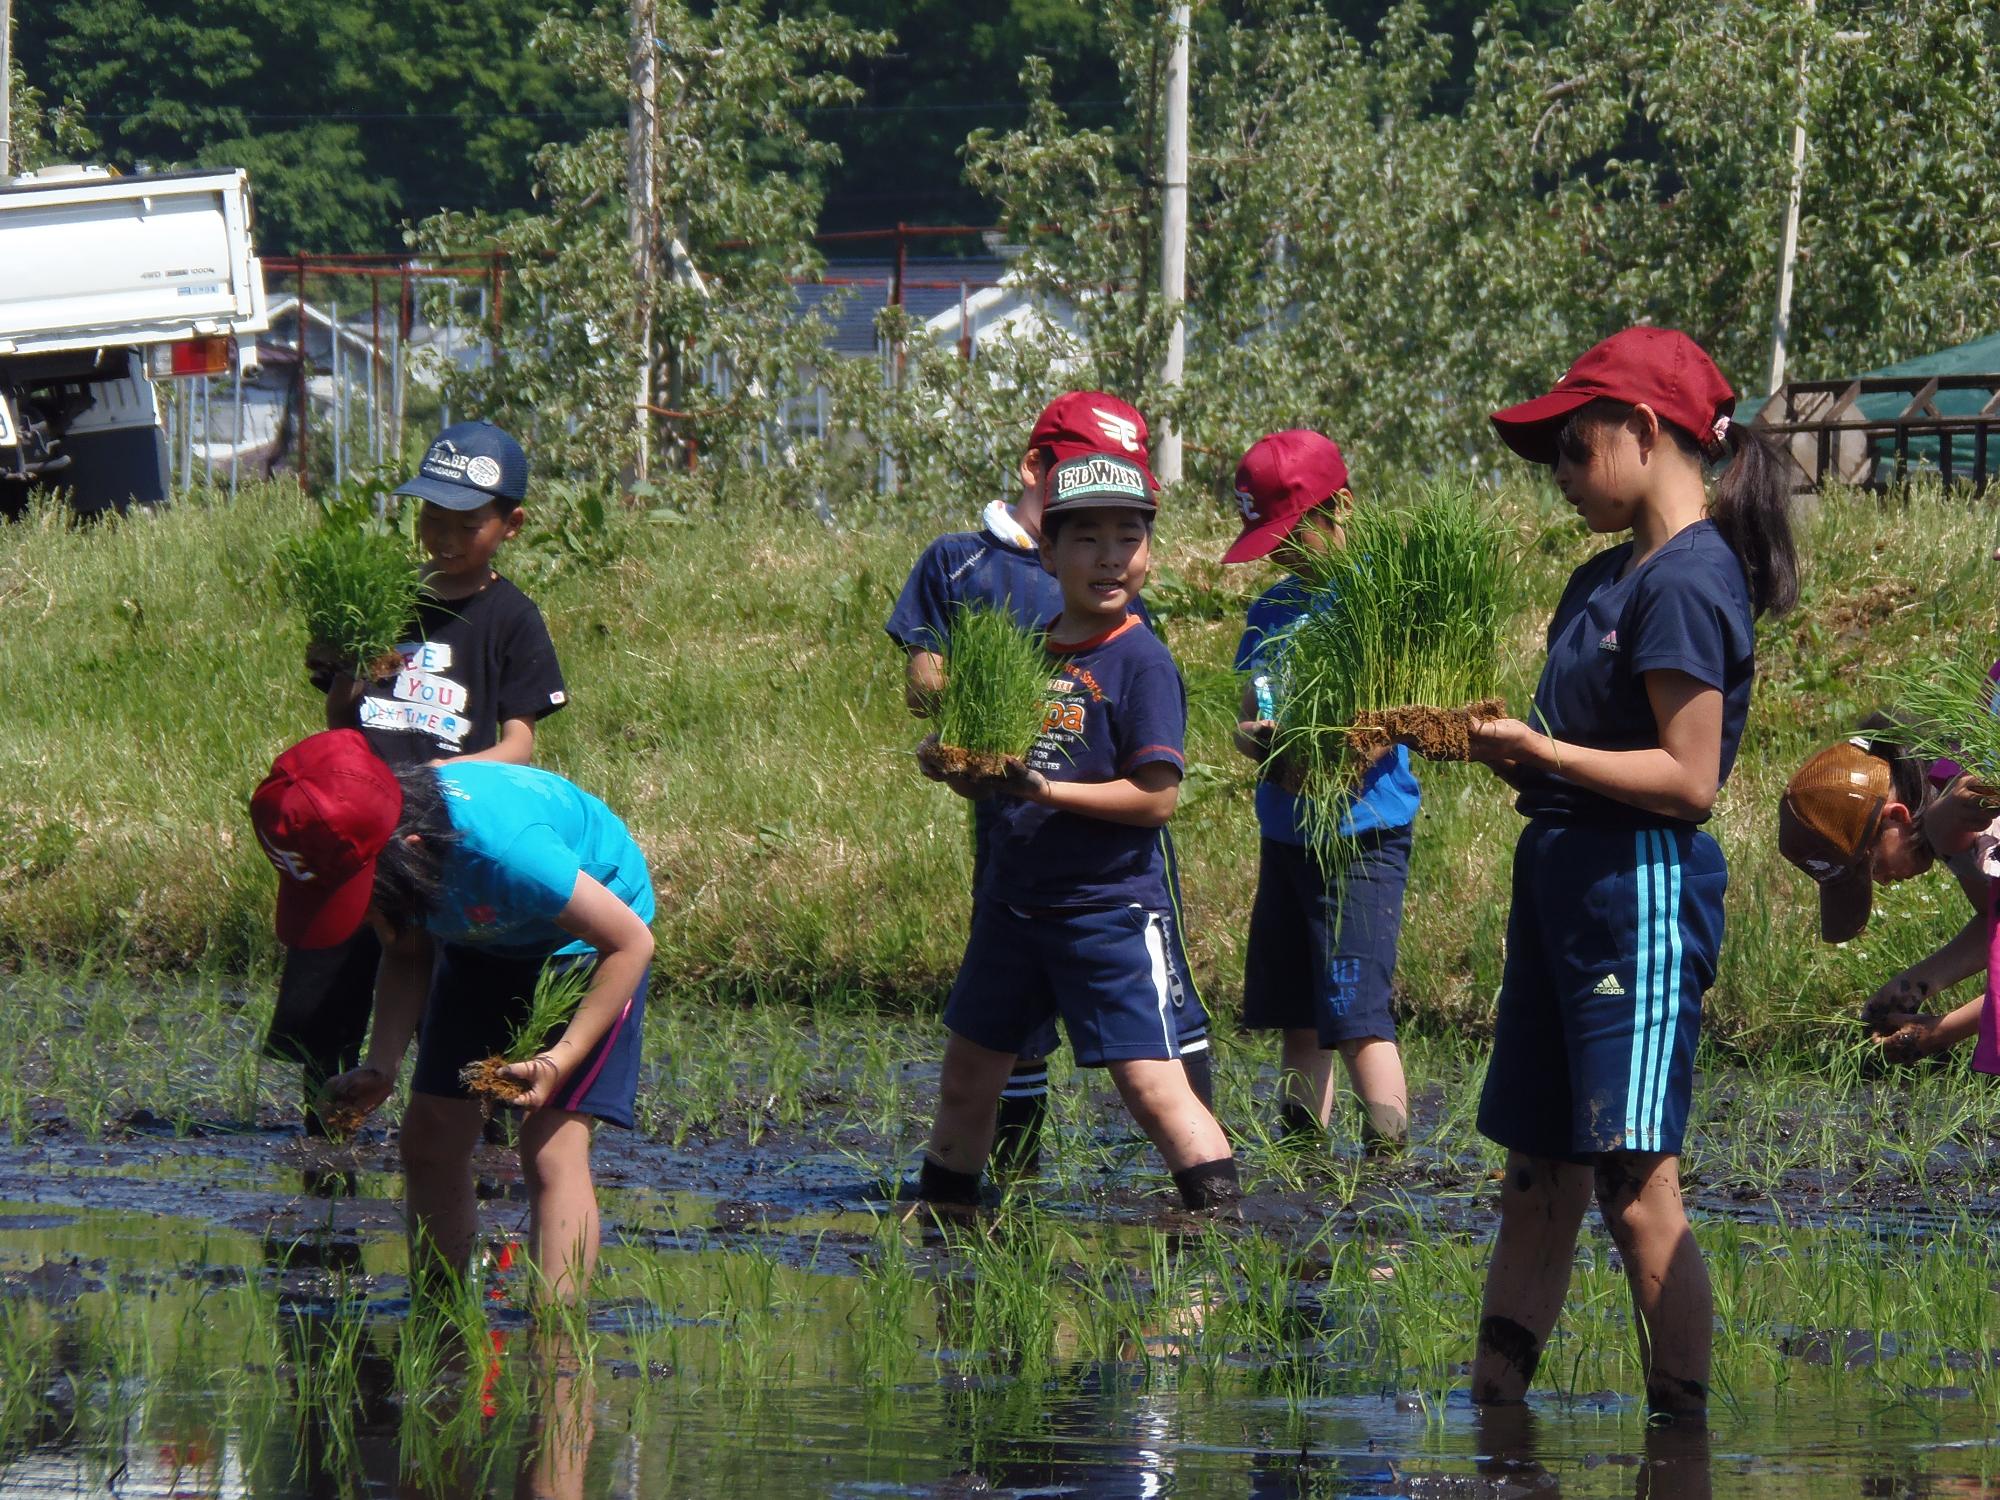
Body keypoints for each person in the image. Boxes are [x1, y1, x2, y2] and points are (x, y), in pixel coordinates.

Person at [1464, 326, 1798, 1416]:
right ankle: (1494, 1419)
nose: (1558, 474)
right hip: (1561, 882)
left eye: (1570, 445)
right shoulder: (1602, 577)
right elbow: (1576, 744)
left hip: (1636, 893)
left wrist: (1544, 753)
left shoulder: (1689, 581)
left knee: (1630, 1183)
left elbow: (1687, 777)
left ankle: (1679, 1446)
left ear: (1643, 431)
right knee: (1535, 1175)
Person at [887, 391, 1212, 1180]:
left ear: (1149, 553)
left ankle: (1222, 1240)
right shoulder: (1024, 647)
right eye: (1088, 538)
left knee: (1150, 1084)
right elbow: (989, 765)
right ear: (1050, 553)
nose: (1109, 557)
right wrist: (962, 769)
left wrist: (1044, 792)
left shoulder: (1142, 659)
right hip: (1012, 899)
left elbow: (1158, 798)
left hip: (1106, 905)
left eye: (1128, 538)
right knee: (968, 1080)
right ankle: (951, 1235)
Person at [251, 729, 654, 1302]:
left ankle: (555, 1333)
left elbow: (631, 943)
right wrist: (382, 1062)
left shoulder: (508, 853)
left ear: (409, 848)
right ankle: (443, 1311)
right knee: (430, 1139)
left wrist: (559, 1060)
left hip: (587, 947)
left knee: (548, 1145)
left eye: (357, 894)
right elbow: (407, 950)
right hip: (484, 941)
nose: (361, 913)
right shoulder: (405, 859)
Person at [266, 420, 566, 1135]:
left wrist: (441, 779)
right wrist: (350, 673)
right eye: (432, 516)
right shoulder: (383, 596)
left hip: (444, 823)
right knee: (337, 966)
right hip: (356, 819)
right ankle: (330, 1110)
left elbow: (520, 743)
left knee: (452, 976)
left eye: (467, 522)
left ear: (511, 524)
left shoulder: (512, 619)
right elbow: (342, 718)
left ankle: (476, 1123)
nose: (445, 537)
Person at [1222, 430, 1415, 1149]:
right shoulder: (1269, 611)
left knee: (1357, 1010)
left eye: (1293, 534)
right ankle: (1304, 1158)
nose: (1283, 554)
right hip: (1286, 831)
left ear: (1343, 508)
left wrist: (1334, 751)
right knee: (1299, 1011)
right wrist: (1260, 745)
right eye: (1270, 541)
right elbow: (1250, 713)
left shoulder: (1379, 601)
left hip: (1360, 835)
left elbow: (1391, 716)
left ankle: (1387, 1164)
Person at [1779, 728, 2000, 1062]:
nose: (1881, 881)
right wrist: (1914, 985)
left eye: (1874, 867)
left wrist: (1940, 1032)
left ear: (1897, 816)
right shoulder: (1949, 823)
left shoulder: (1979, 808)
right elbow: (1994, 919)